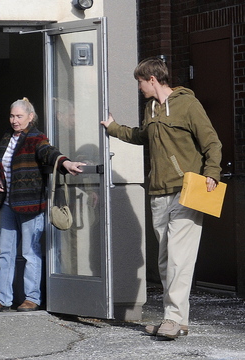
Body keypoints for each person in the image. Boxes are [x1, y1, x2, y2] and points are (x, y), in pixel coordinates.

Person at [101, 57, 222, 339]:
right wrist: (114, 128)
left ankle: (171, 318)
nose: (140, 88)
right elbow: (143, 136)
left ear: (152, 80)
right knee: (167, 261)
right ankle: (178, 322)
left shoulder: (187, 104)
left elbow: (212, 142)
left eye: (140, 82)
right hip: (158, 193)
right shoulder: (151, 109)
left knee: (180, 259)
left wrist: (212, 173)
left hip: (187, 191)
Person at [0, 97, 86, 312]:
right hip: (8, 203)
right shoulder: (7, 137)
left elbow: (49, 152)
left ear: (30, 117)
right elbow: (5, 165)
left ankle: (32, 297)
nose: (14, 120)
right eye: (12, 116)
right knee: (4, 252)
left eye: (19, 116)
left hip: (30, 203)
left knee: (29, 252)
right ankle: (2, 298)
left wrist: (66, 162)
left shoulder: (36, 138)